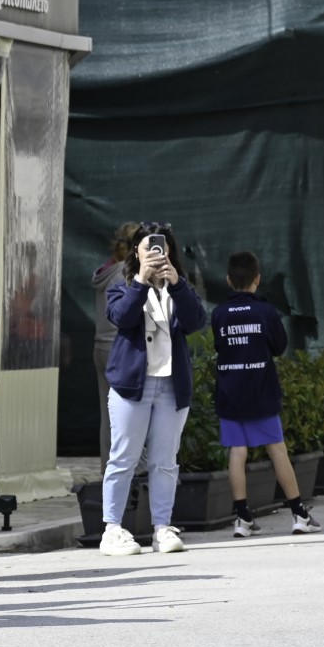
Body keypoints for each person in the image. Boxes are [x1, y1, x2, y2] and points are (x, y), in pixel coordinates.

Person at [100, 223, 207, 556]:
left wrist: (177, 285)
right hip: (132, 386)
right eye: (148, 248)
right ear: (136, 251)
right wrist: (142, 282)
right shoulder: (122, 285)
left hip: (171, 387)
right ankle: (112, 529)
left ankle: (162, 527)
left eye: (161, 247)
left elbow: (196, 322)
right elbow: (122, 318)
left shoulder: (179, 287)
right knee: (124, 458)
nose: (156, 254)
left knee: (165, 461)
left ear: (170, 251)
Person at [213, 250, 319, 538]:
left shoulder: (219, 313)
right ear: (257, 279)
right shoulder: (266, 312)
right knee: (277, 450)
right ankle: (299, 515)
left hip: (230, 394)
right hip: (261, 391)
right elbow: (279, 347)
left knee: (237, 452)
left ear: (228, 280)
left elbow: (220, 346)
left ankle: (242, 519)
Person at [92, 223, 140, 457]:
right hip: (120, 348)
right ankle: (131, 470)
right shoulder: (126, 274)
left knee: (109, 415)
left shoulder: (108, 271)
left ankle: (108, 470)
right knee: (128, 414)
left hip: (101, 347)